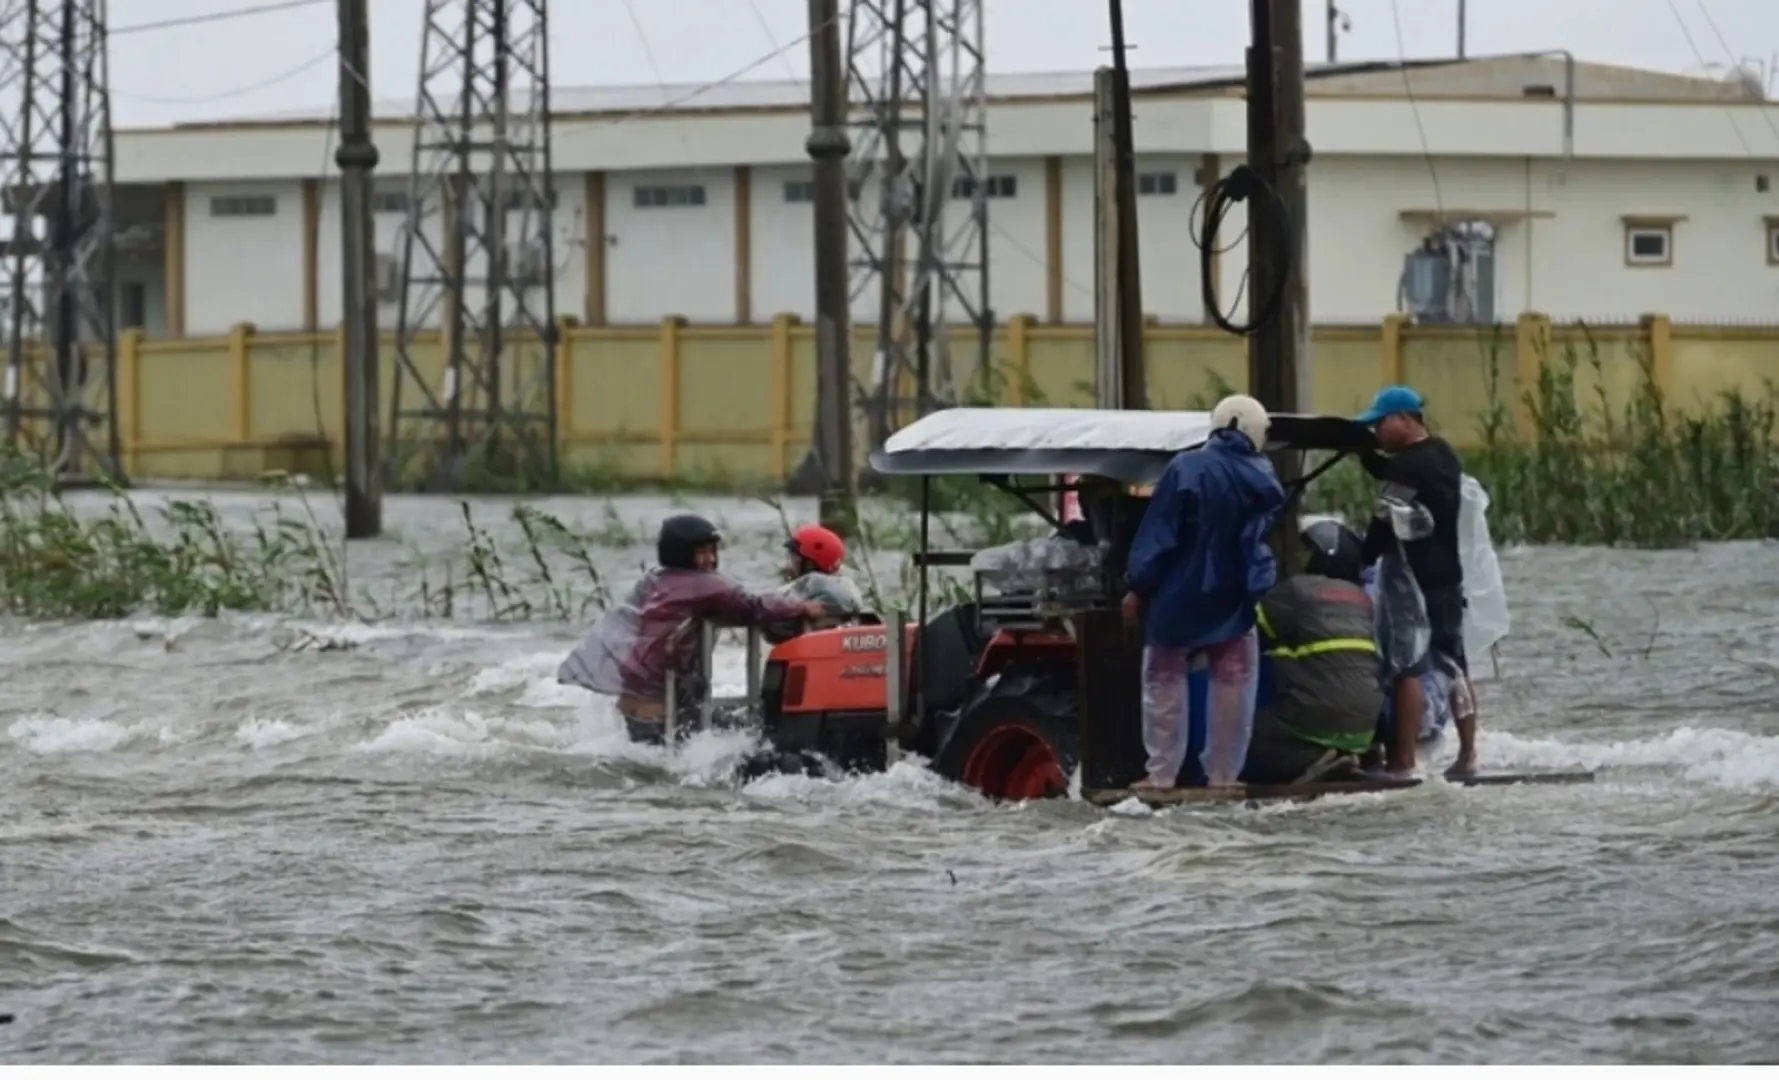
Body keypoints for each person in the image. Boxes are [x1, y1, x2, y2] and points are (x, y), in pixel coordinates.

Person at [1121, 394, 1287, 792]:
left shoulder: (1185, 467)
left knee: (1163, 681)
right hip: (1234, 600)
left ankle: (1161, 775)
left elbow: (1158, 536)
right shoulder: (1265, 477)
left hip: (1176, 599)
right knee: (1233, 685)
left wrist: (1137, 587)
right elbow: (1258, 545)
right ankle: (1224, 777)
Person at [557, 513, 825, 746]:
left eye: (712, 551)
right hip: (661, 705)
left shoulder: (655, 579)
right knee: (744, 736)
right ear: (681, 554)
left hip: (635, 700)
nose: (709, 560)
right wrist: (803, 608)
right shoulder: (704, 586)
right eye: (701, 553)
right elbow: (753, 605)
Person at [1354, 385, 1478, 778]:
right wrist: (1364, 453)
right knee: (1456, 664)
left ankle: (1403, 762)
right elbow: (1398, 471)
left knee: (1406, 666)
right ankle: (1468, 756)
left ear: (1404, 419)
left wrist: (1363, 558)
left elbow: (1384, 519)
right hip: (1448, 577)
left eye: (1379, 423)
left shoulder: (1408, 466)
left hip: (1414, 580)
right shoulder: (1443, 454)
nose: (1375, 430)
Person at [1241, 520, 1384, 786]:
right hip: (1365, 727)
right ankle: (1347, 754)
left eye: (1308, 552)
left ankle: (1314, 759)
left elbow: (1250, 630)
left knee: (1238, 735)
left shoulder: (1297, 589)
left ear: (1323, 558)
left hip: (1312, 718)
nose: (1301, 558)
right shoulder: (1362, 598)